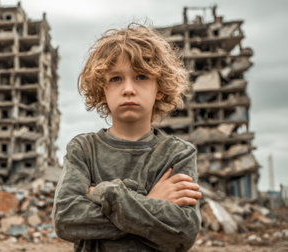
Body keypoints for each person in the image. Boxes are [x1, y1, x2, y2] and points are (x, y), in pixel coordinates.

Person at [51, 24, 202, 252]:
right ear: (103, 89)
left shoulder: (177, 153)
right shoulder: (83, 149)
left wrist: (105, 193)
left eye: (141, 76)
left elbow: (183, 231)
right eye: (116, 79)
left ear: (159, 88)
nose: (128, 89)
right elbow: (67, 219)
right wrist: (151, 201)